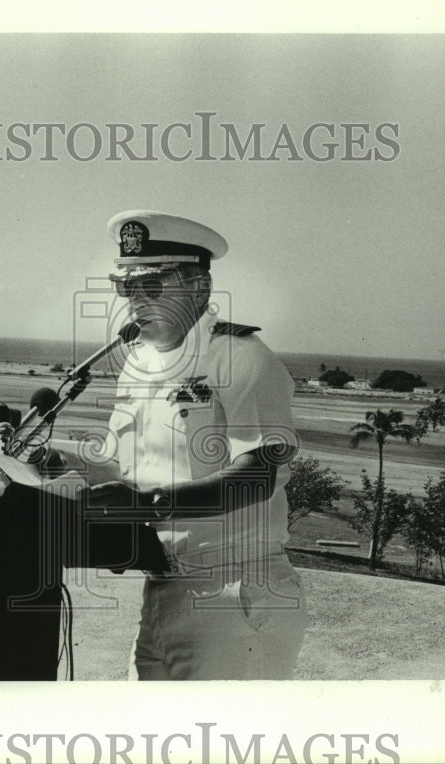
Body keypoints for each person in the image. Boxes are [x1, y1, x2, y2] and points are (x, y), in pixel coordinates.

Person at [87, 210, 308, 680]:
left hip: (234, 587)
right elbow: (114, 466)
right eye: (126, 288)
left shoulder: (241, 358)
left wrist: (147, 504)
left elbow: (255, 478)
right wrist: (48, 461)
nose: (135, 302)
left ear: (199, 289)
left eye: (151, 286)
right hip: (163, 584)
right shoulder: (137, 365)